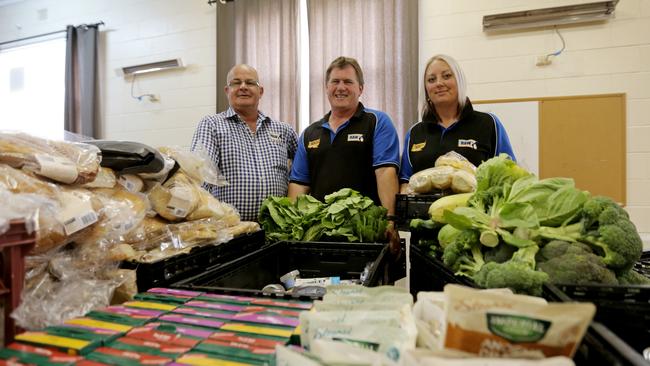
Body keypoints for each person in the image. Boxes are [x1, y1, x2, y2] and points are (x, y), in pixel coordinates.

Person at [288, 56, 400, 215]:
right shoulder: (309, 133)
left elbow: (385, 172)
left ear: (360, 88)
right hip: (319, 230)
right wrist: (292, 224)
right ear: (327, 88)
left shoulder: (377, 122)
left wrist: (390, 219)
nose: (341, 87)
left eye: (348, 82)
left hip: (365, 230)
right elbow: (298, 184)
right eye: (335, 82)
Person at [191, 64, 297, 222]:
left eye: (250, 83)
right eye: (236, 83)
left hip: (277, 230)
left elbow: (305, 166)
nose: (243, 87)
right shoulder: (211, 125)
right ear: (227, 91)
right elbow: (200, 175)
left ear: (260, 91)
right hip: (231, 231)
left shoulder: (283, 130)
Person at [399, 54, 516, 191]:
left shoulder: (488, 124)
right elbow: (405, 183)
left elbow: (509, 174)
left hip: (476, 210)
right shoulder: (415, 133)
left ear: (459, 81)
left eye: (447, 76)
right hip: (424, 212)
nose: (439, 83)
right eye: (431, 79)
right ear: (426, 90)